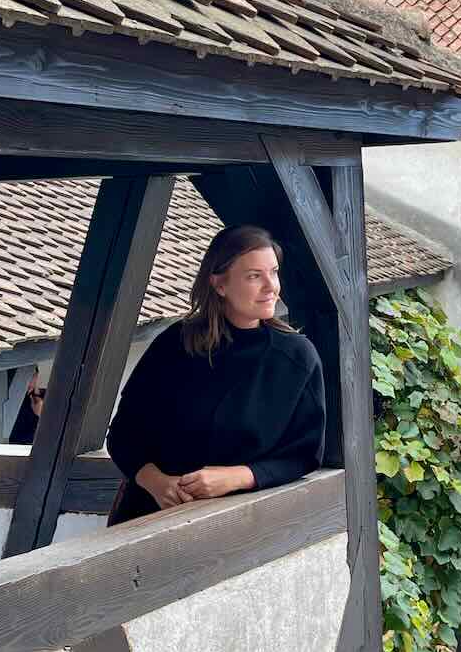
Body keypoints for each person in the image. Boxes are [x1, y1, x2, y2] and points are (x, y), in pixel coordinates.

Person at [105, 224, 326, 526]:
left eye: (273, 272)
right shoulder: (175, 344)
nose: (271, 286)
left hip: (233, 529)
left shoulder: (297, 358)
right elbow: (123, 434)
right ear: (219, 284)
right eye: (253, 276)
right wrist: (157, 483)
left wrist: (237, 476)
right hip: (145, 518)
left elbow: (304, 453)